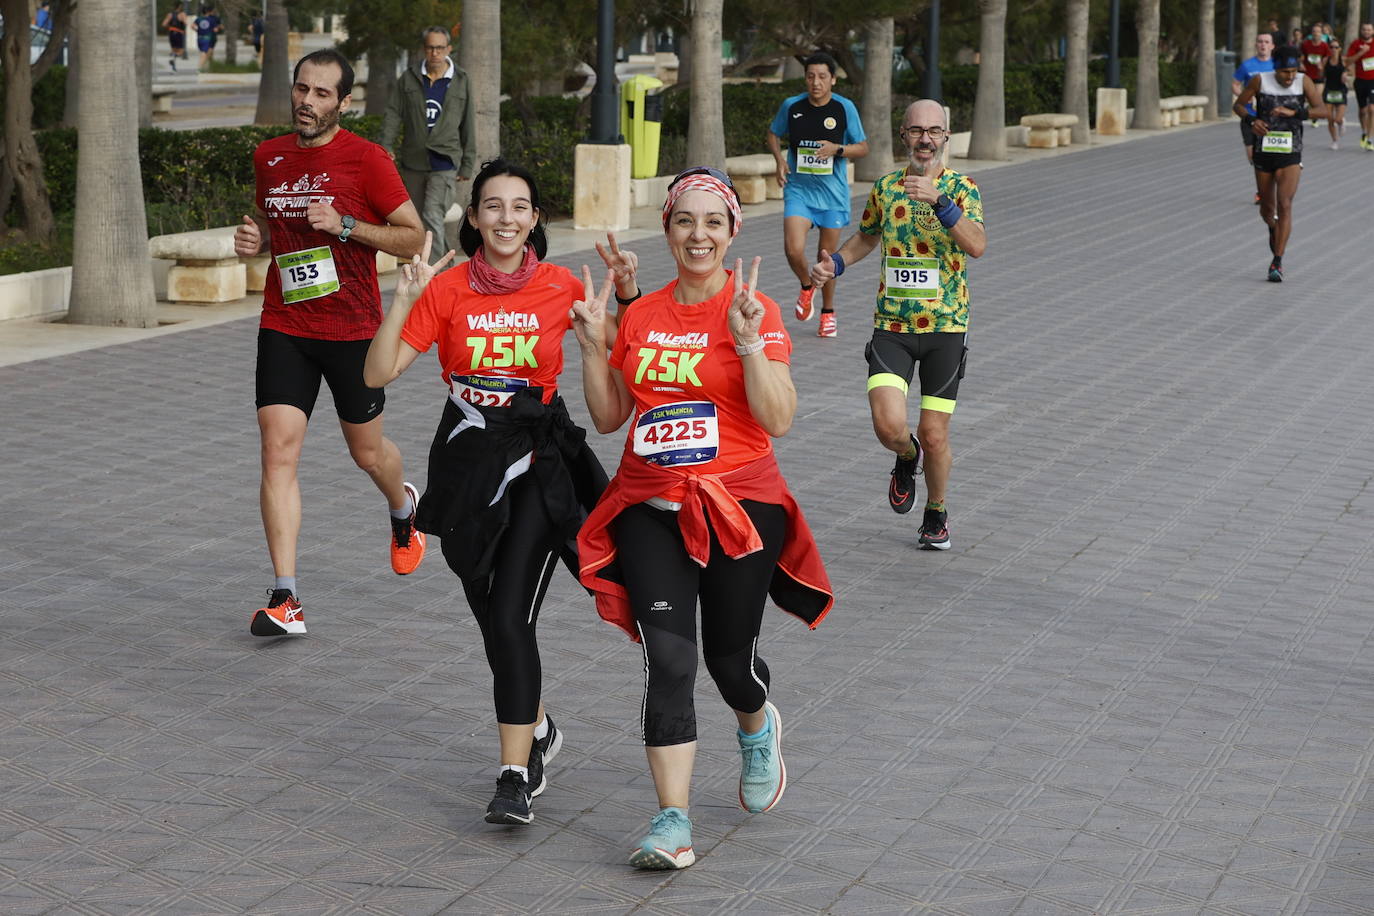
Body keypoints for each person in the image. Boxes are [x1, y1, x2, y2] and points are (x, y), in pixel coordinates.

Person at [574, 167, 833, 870]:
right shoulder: (646, 313)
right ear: (667, 230)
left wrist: (748, 343)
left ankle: (756, 726)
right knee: (671, 660)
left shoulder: (756, 311)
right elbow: (607, 418)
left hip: (741, 507)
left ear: (731, 233)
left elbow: (778, 419)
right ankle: (672, 821)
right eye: (685, 221)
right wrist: (595, 346)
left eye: (712, 222)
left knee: (727, 662)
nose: (698, 235)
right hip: (650, 507)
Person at [364, 160, 621, 827]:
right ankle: (538, 725)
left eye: (520, 207)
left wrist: (608, 323)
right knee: (489, 615)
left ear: (535, 218)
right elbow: (379, 371)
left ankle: (514, 774)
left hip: (537, 458)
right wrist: (403, 302)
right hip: (467, 461)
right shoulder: (446, 290)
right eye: (492, 206)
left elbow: (615, 373)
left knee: (510, 617)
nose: (506, 219)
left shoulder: (564, 286)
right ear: (472, 217)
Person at [232, 50, 426, 637]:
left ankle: (403, 507)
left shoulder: (367, 160)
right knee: (277, 448)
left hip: (351, 328)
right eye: (300, 90)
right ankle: (285, 598)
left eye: (321, 94)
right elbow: (278, 229)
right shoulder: (270, 157)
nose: (306, 102)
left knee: (366, 454)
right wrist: (256, 238)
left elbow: (414, 237)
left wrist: (345, 225)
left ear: (344, 102)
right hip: (286, 322)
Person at [808, 100, 986, 551]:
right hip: (893, 326)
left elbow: (977, 245)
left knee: (934, 433)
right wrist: (836, 265)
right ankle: (906, 459)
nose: (925, 139)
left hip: (946, 326)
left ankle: (937, 510)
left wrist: (941, 203)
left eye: (934, 131)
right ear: (904, 136)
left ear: (946, 136)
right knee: (890, 427)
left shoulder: (963, 189)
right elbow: (867, 236)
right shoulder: (886, 188)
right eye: (916, 131)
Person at [766, 52, 868, 338]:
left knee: (827, 258)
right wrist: (779, 160)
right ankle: (805, 286)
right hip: (799, 189)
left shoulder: (844, 108)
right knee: (793, 248)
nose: (816, 82)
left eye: (822, 76)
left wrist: (837, 149)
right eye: (811, 76)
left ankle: (828, 312)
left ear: (833, 79)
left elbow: (863, 147)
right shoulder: (792, 106)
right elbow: (774, 133)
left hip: (832, 194)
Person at [1232, 45, 1329, 282]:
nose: (1290, 76)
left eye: (1294, 71)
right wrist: (1252, 120)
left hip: (1291, 151)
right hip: (1264, 150)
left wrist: (1295, 114)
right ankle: (1273, 228)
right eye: (1285, 71)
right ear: (1276, 68)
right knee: (1267, 210)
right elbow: (1239, 105)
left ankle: (1277, 261)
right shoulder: (1259, 81)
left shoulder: (1303, 82)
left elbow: (1322, 110)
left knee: (1285, 203)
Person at [381, 27, 475, 266]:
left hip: (444, 161)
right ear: (424, 49)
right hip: (414, 160)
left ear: (448, 49)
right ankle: (446, 271)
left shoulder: (461, 80)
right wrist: (386, 145)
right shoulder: (409, 77)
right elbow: (393, 113)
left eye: (440, 48)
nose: (435, 53)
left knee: (433, 214)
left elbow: (468, 123)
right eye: (431, 47)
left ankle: (434, 277)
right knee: (419, 223)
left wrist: (467, 163)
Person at [1233, 33, 1276, 202]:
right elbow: (1235, 84)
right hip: (1250, 116)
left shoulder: (1277, 65)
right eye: (1260, 42)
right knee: (1253, 155)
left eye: (1266, 42)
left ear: (1272, 46)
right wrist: (1245, 96)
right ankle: (1263, 186)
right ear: (1256, 45)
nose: (1263, 45)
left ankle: (1264, 192)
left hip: (1271, 117)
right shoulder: (1247, 65)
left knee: (1270, 154)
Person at [1348, 23, 1374, 149]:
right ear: (1361, 31)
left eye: (1369, 29)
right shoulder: (1356, 44)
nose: (1367, 31)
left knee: (1372, 110)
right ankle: (1364, 132)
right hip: (1360, 80)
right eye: (1364, 29)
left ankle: (1370, 139)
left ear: (1373, 31)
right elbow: (1348, 61)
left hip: (1373, 81)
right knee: (1363, 111)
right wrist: (1361, 52)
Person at [1323, 40, 1348, 149]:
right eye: (1331, 47)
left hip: (1340, 90)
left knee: (1337, 119)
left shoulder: (1343, 60)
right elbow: (1321, 75)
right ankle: (1334, 140)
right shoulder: (1325, 60)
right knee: (1329, 118)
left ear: (1340, 49)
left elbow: (1351, 70)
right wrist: (1319, 69)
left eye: (1336, 47)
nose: (1333, 49)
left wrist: (1346, 75)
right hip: (1329, 90)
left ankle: (1341, 121)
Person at [194, 4, 223, 69]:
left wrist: (197, 30)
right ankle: (200, 67)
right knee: (206, 53)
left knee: (204, 52)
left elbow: (192, 26)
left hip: (199, 38)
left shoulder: (199, 19)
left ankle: (206, 65)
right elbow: (216, 29)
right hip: (208, 38)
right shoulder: (212, 19)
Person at [162, 1, 188, 70]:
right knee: (181, 51)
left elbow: (164, 24)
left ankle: (173, 67)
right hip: (179, 33)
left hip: (171, 33)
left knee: (173, 50)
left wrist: (170, 27)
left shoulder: (170, 14)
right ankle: (173, 61)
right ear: (180, 6)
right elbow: (186, 23)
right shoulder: (182, 14)